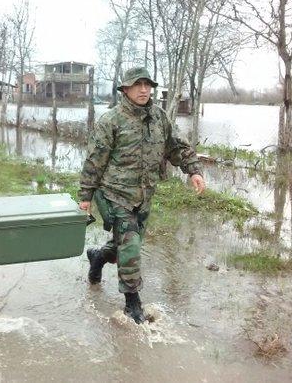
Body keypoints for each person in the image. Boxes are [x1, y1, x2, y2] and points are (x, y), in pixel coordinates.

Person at [78, 67, 205, 324]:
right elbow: (95, 161)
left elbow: (175, 147)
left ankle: (98, 256)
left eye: (148, 85)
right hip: (114, 195)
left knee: (122, 248)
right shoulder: (111, 121)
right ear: (125, 89)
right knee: (131, 246)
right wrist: (86, 196)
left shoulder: (158, 118)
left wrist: (193, 170)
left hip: (144, 195)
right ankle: (132, 303)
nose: (144, 90)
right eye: (138, 85)